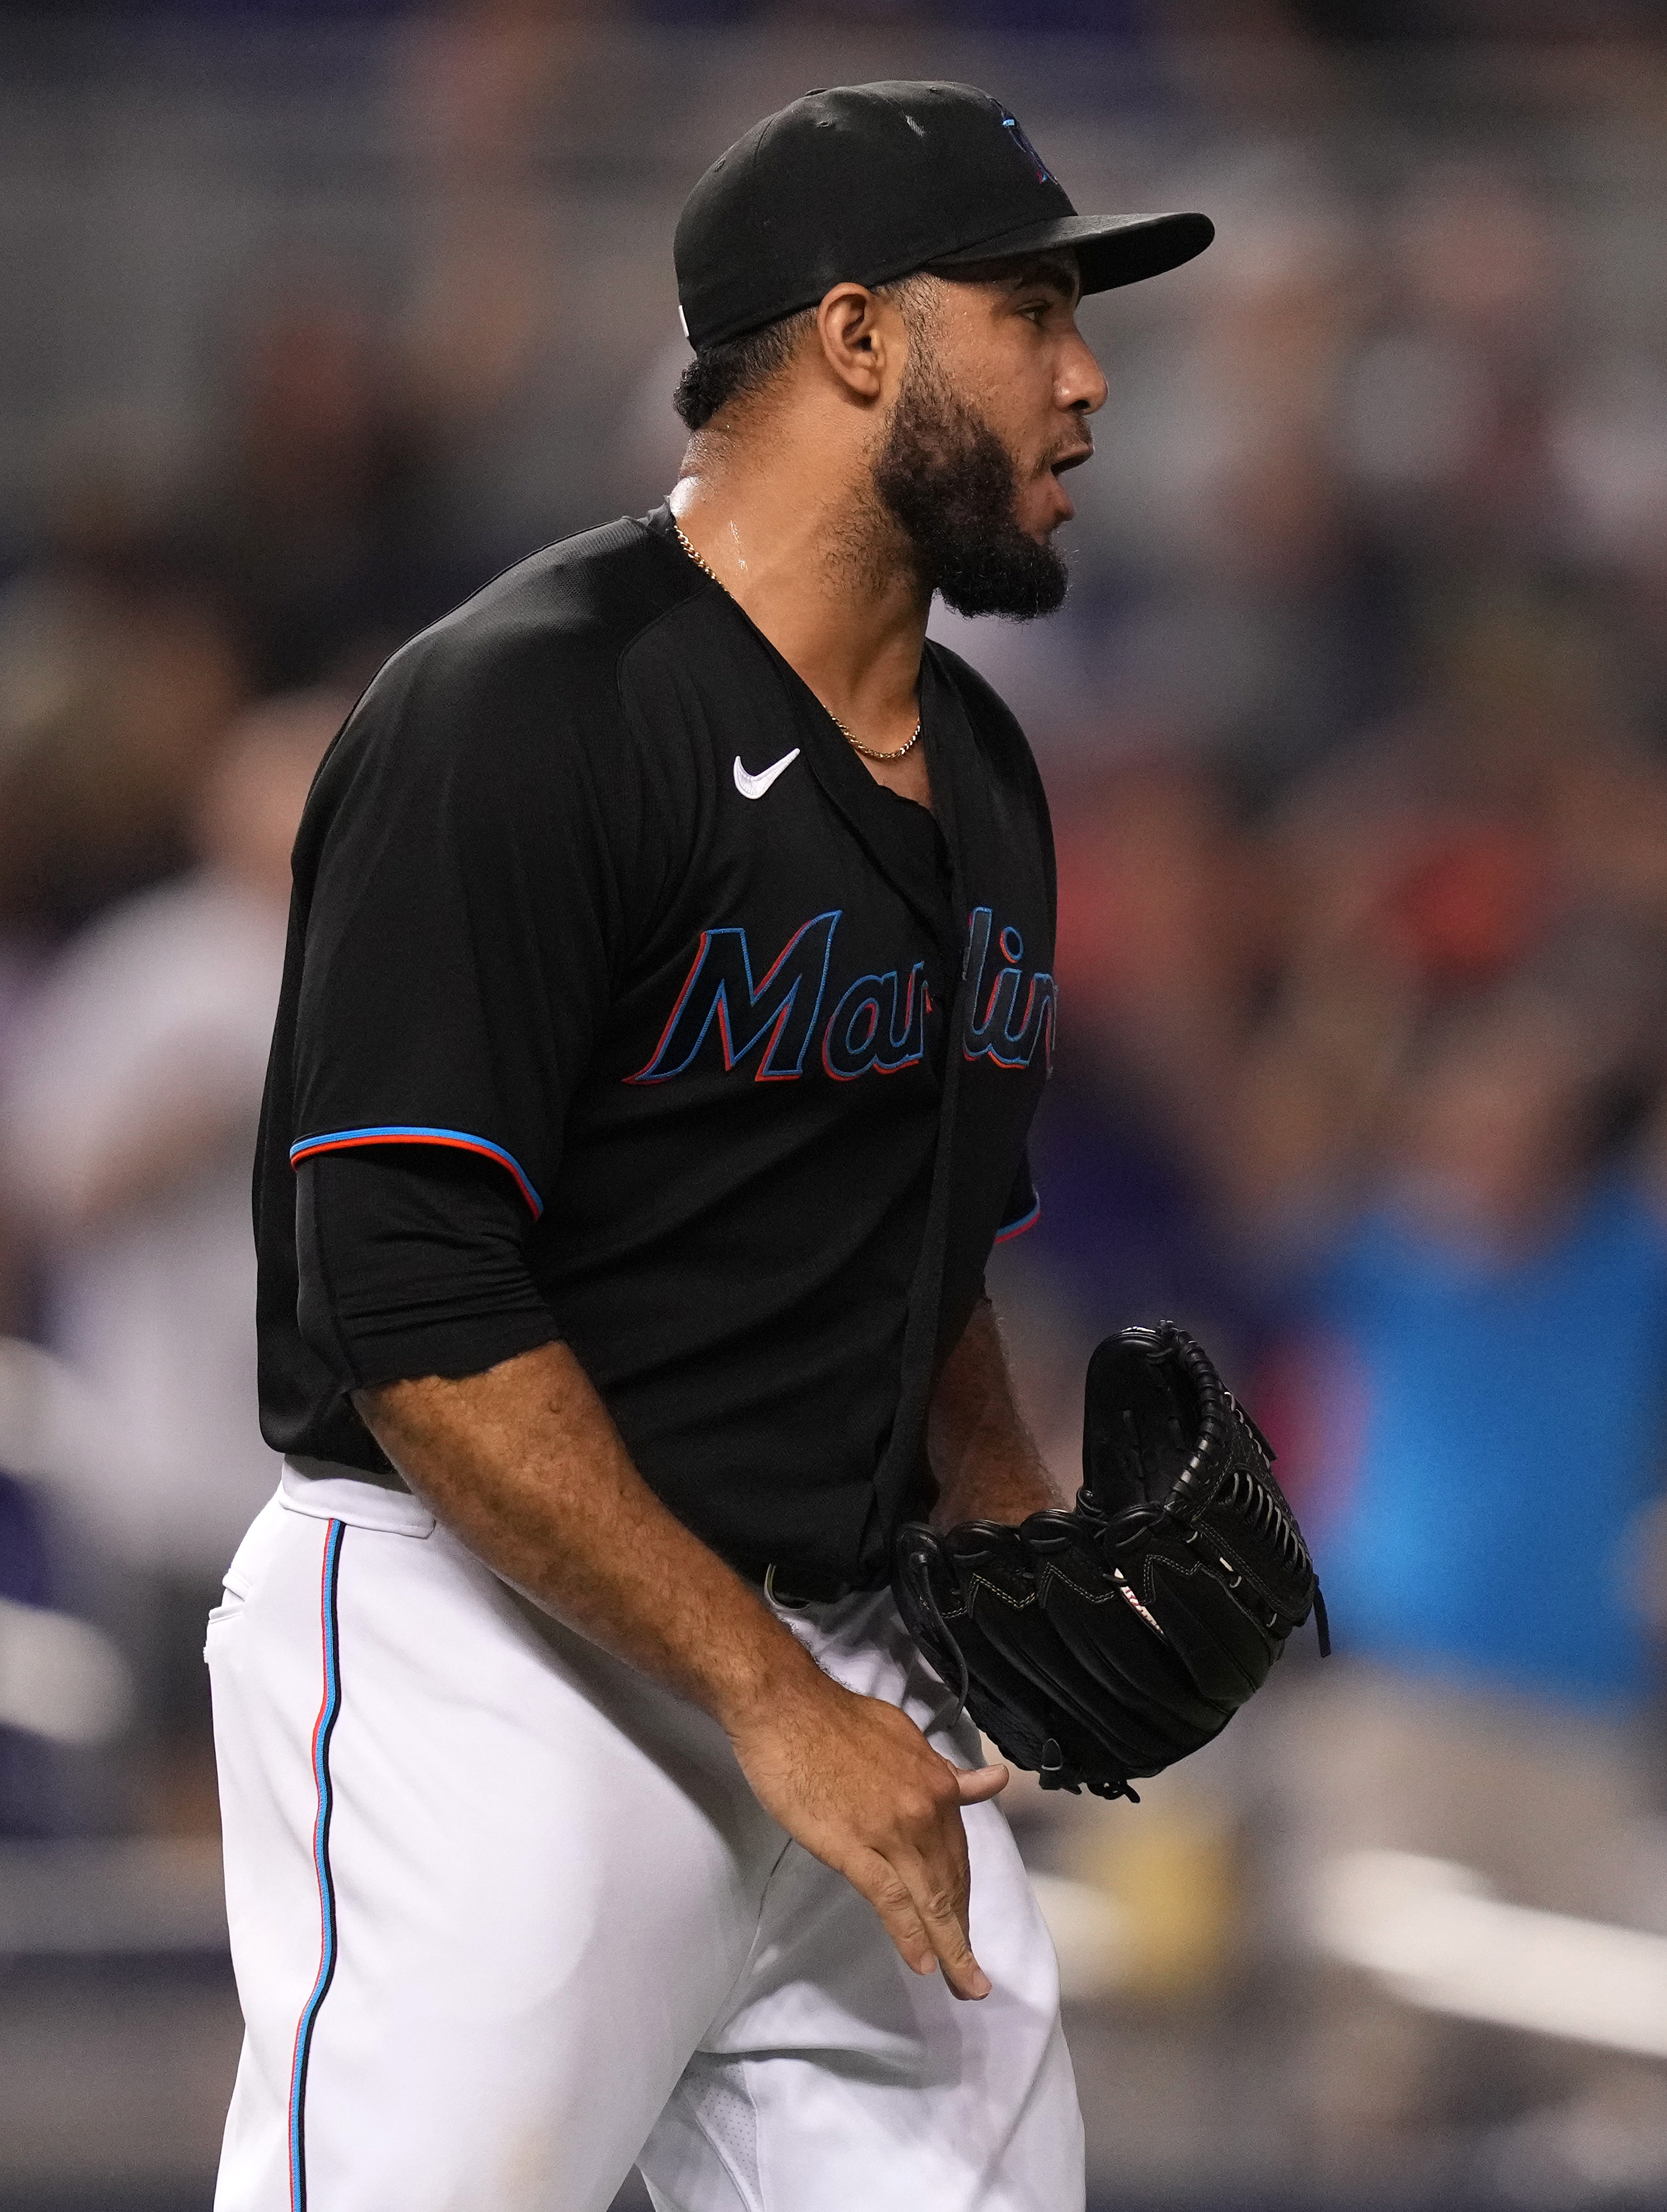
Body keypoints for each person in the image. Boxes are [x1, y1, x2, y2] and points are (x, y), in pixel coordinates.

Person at [208, 82, 1213, 2212]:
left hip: (837, 1670)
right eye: (1029, 309)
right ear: (856, 340)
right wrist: (765, 1692)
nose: (1087, 373)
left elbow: (915, 1242)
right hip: (488, 1652)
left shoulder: (987, 771)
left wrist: (1005, 1530)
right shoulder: (523, 710)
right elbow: (405, 1304)